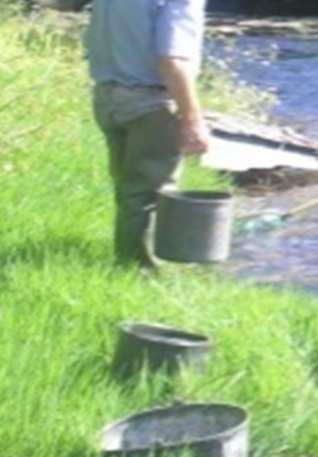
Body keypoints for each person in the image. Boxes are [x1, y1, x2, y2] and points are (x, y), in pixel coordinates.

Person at [86, 0, 211, 269]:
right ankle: (140, 271)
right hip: (150, 104)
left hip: (107, 97)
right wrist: (193, 118)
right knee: (150, 196)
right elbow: (171, 59)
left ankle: (127, 261)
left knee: (128, 190)